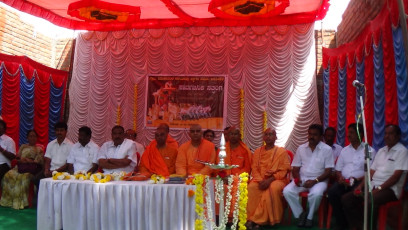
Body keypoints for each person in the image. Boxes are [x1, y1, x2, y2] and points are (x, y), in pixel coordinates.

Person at [342, 124, 408, 230]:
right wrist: (361, 186)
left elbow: (396, 177)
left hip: (390, 189)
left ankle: (368, 227)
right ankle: (360, 226)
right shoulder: (381, 151)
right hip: (373, 186)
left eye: (390, 134)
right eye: (385, 133)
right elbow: (371, 172)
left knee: (371, 200)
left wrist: (379, 189)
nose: (387, 136)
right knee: (347, 199)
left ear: (398, 136)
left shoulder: (402, 151)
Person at [283, 124, 334, 228]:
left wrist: (315, 181)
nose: (311, 137)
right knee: (287, 191)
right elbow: (295, 168)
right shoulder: (301, 148)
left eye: (315, 135)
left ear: (321, 136)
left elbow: (328, 171)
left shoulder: (327, 149)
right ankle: (301, 214)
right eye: (310, 134)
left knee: (316, 194)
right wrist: (298, 179)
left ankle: (310, 217)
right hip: (303, 179)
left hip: (319, 180)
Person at [327, 123, 376, 230]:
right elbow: (338, 170)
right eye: (348, 132)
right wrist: (340, 178)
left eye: (352, 133)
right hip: (344, 181)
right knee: (332, 193)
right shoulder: (344, 150)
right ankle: (342, 223)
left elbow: (371, 172)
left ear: (361, 134)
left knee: (350, 198)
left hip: (360, 182)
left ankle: (358, 223)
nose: (348, 135)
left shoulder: (369, 150)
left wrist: (355, 180)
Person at [246, 128, 291, 229]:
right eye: (266, 134)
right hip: (260, 179)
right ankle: (251, 218)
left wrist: (270, 180)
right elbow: (254, 168)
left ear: (275, 137)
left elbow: (284, 170)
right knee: (252, 188)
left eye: (271, 134)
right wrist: (261, 180)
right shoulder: (258, 151)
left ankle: (258, 221)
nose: (268, 137)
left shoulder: (281, 152)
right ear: (263, 137)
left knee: (271, 190)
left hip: (277, 179)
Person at [0, 130, 43, 209]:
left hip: (30, 169)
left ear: (37, 138)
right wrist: (21, 160)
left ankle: (21, 203)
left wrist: (28, 160)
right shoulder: (23, 146)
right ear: (27, 138)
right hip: (20, 167)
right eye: (30, 136)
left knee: (23, 178)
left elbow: (38, 161)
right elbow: (17, 158)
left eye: (34, 136)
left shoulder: (39, 148)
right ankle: (8, 201)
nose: (32, 138)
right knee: (8, 175)